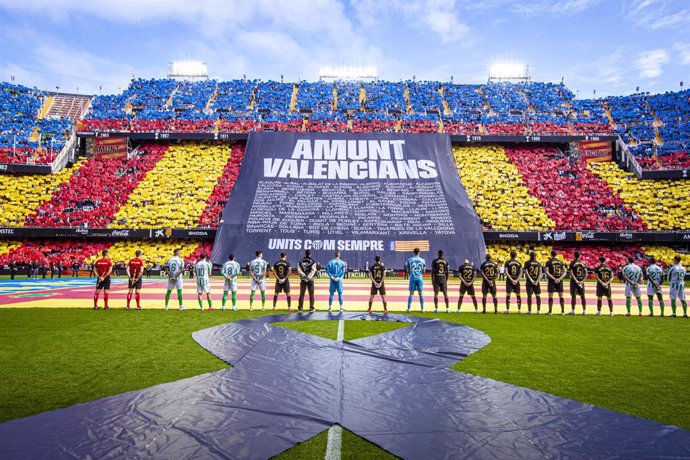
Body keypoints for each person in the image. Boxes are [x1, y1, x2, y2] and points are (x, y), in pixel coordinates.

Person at [544, 250, 567, 315]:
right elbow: (565, 272)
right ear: (556, 255)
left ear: (551, 255)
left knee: (550, 295)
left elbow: (547, 272)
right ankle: (562, 311)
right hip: (559, 280)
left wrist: (554, 279)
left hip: (551, 280)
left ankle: (550, 311)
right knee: (561, 296)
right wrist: (559, 278)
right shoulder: (560, 262)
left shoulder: (548, 262)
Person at [405, 248, 426, 312]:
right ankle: (422, 309)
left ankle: (408, 309)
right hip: (419, 278)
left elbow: (408, 270)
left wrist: (410, 273)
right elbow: (424, 271)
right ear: (419, 252)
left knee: (411, 293)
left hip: (412, 278)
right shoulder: (422, 260)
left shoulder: (410, 260)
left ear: (413, 252)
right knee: (421, 293)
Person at [568, 251, 588, 315]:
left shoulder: (572, 263)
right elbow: (586, 273)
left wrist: (576, 280)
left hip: (574, 281)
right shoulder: (583, 263)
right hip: (581, 280)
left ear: (574, 255)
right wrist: (582, 280)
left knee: (573, 296)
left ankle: (573, 311)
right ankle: (584, 311)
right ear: (579, 256)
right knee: (583, 296)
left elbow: (571, 273)